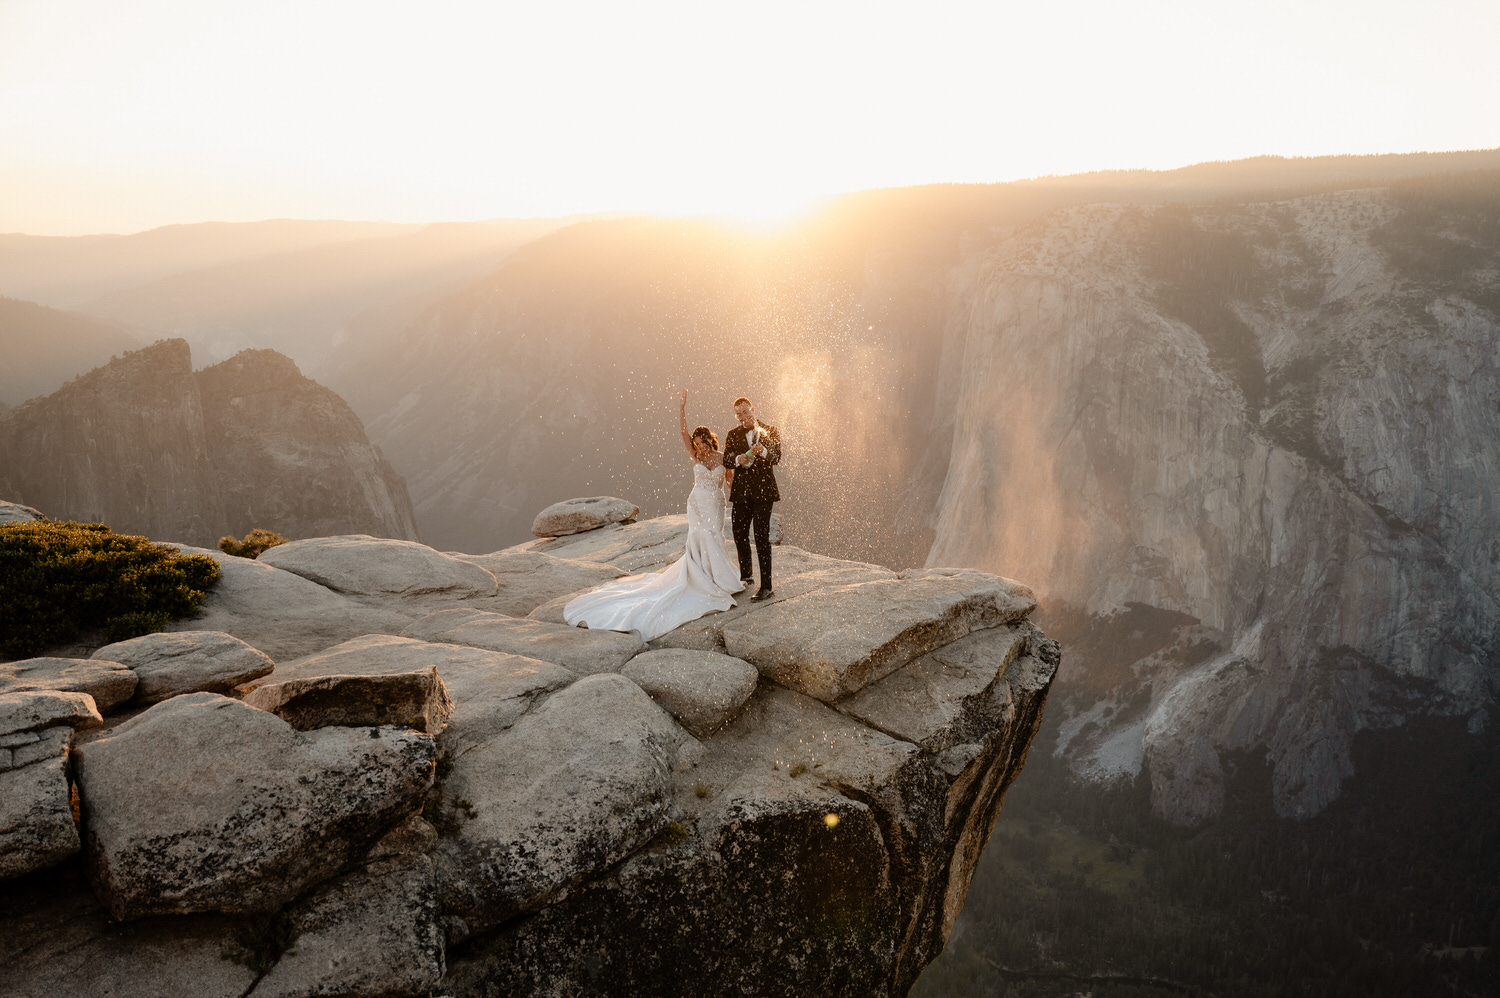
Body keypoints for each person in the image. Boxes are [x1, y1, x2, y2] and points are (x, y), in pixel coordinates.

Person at [563, 390, 746, 640]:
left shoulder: (723, 458)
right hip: (696, 504)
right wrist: (682, 407)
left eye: (704, 443)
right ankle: (705, 578)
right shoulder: (695, 456)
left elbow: (731, 482)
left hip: (715, 503)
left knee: (714, 536)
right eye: (698, 444)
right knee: (701, 535)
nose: (700, 448)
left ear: (711, 441)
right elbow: (683, 432)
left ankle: (719, 578)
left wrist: (743, 498)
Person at [722, 395, 781, 601]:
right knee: (738, 532)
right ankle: (746, 576)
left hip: (764, 492)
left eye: (746, 412)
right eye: (739, 414)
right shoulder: (732, 434)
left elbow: (777, 456)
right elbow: (726, 458)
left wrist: (763, 451)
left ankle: (767, 586)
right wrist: (738, 458)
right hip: (740, 493)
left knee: (761, 537)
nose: (743, 416)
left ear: (753, 409)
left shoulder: (771, 430)